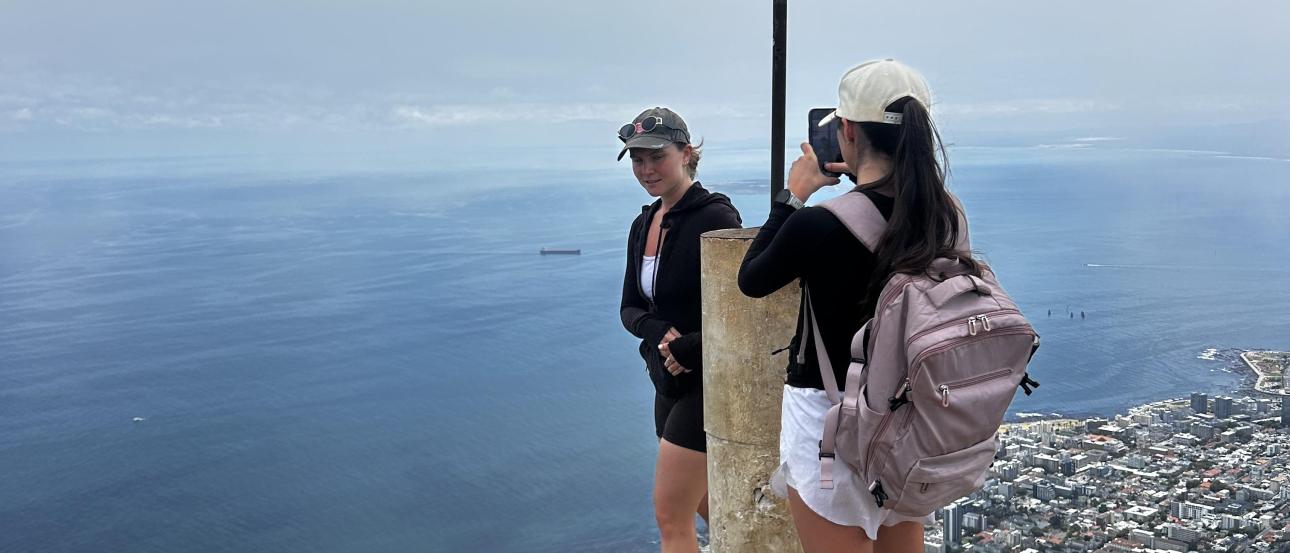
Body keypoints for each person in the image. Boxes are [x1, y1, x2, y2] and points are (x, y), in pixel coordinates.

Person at [738, 60, 978, 553]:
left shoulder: (821, 225)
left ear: (846, 131)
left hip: (829, 421)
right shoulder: (946, 215)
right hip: (910, 418)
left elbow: (752, 279)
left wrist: (793, 195)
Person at [617, 107, 742, 552]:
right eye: (637, 160)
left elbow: (741, 308)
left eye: (657, 157)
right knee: (714, 509)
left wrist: (685, 343)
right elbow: (630, 309)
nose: (646, 169)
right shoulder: (644, 223)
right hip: (665, 380)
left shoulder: (715, 218)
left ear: (686, 153)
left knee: (670, 514)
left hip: (705, 381)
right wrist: (658, 330)